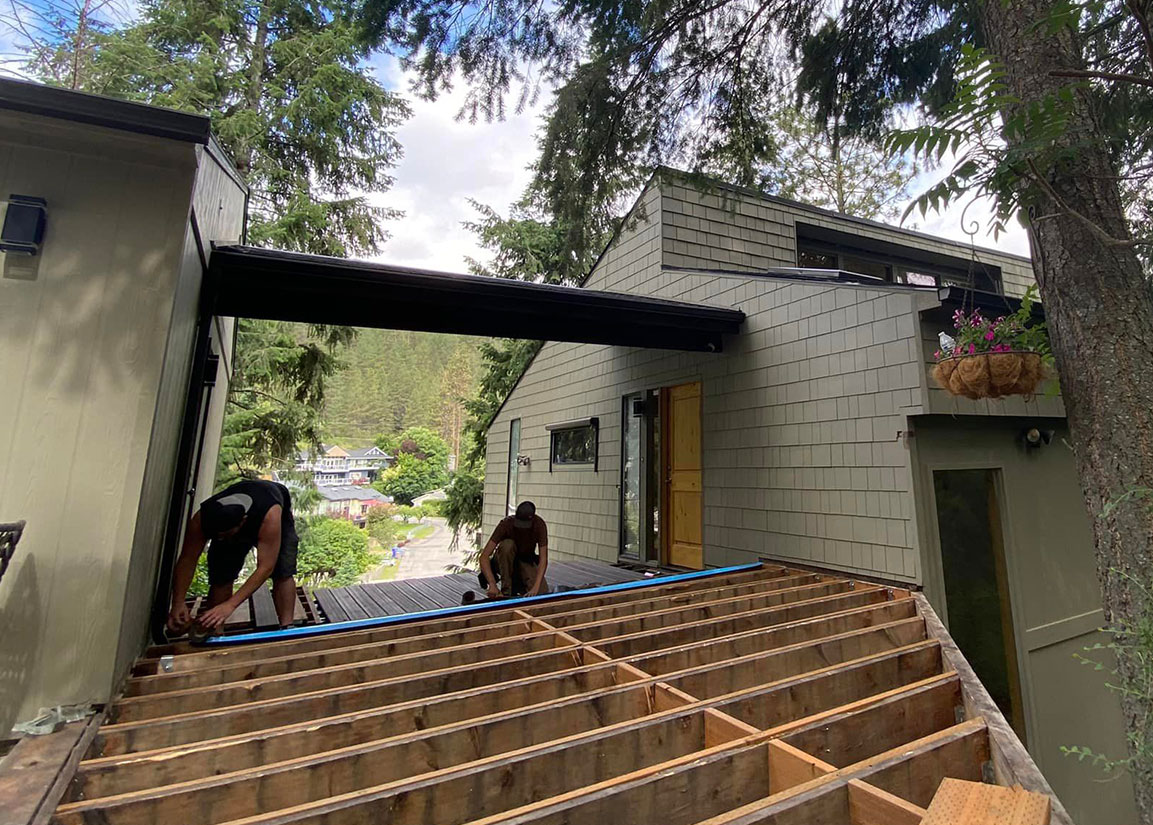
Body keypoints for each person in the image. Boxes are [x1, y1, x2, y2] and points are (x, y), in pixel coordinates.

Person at [167, 479, 300, 635]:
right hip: (235, 517)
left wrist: (230, 605)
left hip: (272, 510)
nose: (221, 538)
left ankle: (286, 627)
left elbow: (266, 567)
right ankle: (214, 630)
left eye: (225, 534)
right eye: (218, 535)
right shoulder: (202, 518)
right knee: (221, 575)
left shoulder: (270, 515)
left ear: (242, 522)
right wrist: (178, 602)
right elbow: (187, 559)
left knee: (283, 570)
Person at [479, 501, 549, 598]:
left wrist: (536, 587)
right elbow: (484, 557)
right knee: (507, 545)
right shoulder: (506, 524)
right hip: (503, 561)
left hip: (525, 559)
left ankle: (519, 585)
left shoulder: (539, 525)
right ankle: (506, 591)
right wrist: (492, 584)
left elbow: (543, 559)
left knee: (542, 592)